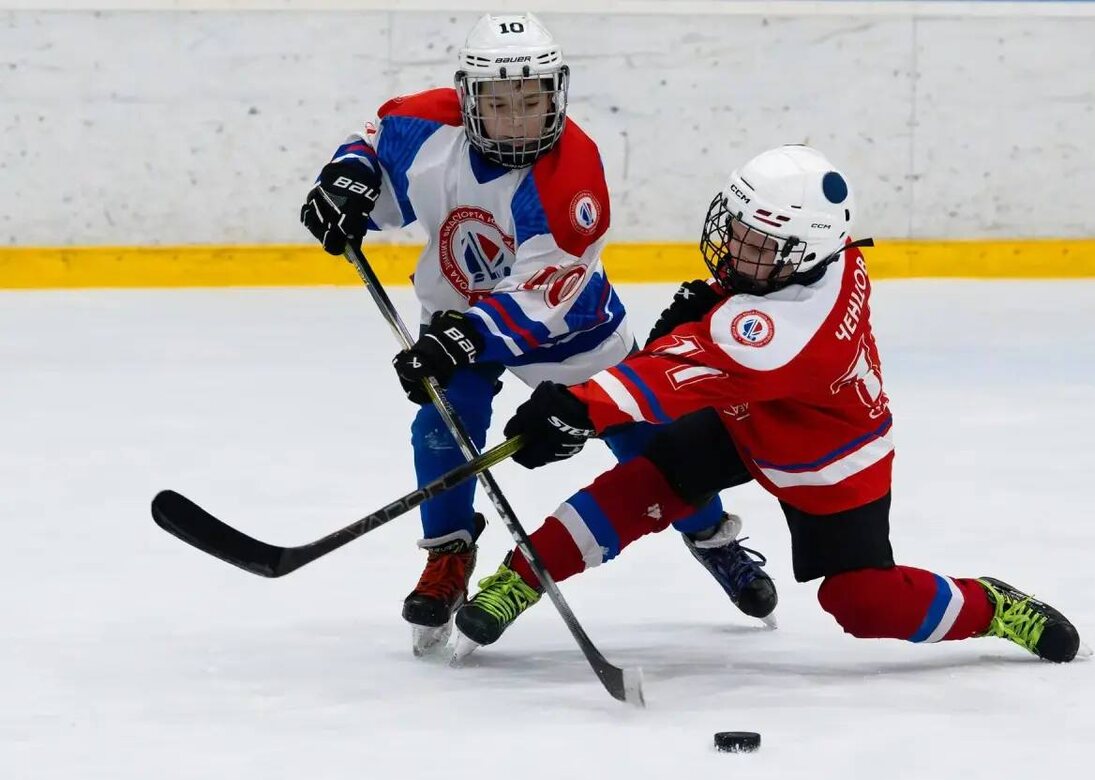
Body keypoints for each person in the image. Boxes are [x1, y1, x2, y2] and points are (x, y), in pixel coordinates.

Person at [451, 144, 1083, 665]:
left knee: (863, 604)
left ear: (802, 253)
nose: (734, 247)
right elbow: (719, 340)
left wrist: (576, 407)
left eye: (756, 244)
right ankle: (521, 577)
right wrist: (706, 313)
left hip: (827, 460)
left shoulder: (785, 336)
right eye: (738, 228)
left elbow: (673, 377)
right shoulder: (827, 256)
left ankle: (992, 605)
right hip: (749, 417)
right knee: (649, 480)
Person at [299, 12, 776, 655]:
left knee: (649, 445)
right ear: (471, 100)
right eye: (500, 105)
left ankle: (711, 535)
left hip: (568, 330)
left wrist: (457, 341)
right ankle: (448, 558)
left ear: (556, 95)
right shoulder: (425, 123)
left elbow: (535, 302)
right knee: (442, 424)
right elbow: (373, 142)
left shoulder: (572, 179)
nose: (518, 120)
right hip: (457, 306)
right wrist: (347, 179)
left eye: (531, 102)